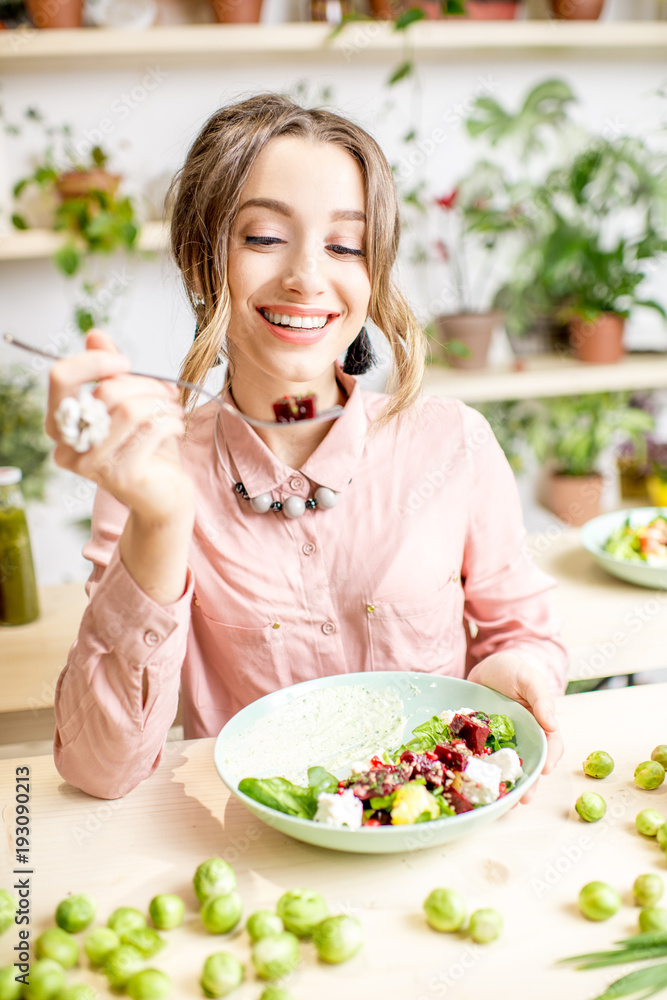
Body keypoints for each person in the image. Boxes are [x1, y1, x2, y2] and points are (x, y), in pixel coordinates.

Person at [47, 93, 567, 802]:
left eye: (345, 246)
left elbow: (518, 633)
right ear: (202, 262)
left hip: (441, 826)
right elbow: (99, 771)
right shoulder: (148, 470)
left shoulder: (453, 442)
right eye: (263, 237)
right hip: (257, 857)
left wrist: (514, 669)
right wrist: (163, 519)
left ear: (372, 273)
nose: (306, 276)